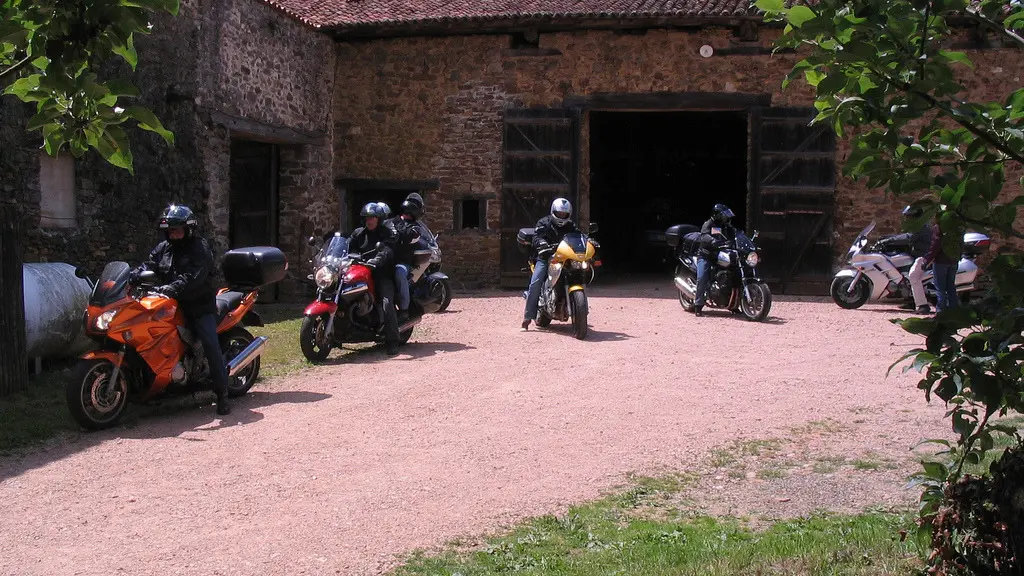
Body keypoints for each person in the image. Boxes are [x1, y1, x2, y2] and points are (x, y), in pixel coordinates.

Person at [130, 204, 231, 415]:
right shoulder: (164, 248)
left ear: (188, 229)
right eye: (169, 230)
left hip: (198, 306)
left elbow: (194, 276)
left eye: (176, 230)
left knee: (210, 343)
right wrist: (132, 276)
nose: (172, 234)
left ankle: (222, 393)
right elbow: (149, 265)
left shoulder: (200, 248)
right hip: (171, 303)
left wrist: (172, 287)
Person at [350, 202, 401, 355]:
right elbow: (348, 247)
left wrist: (376, 261)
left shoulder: (386, 233)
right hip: (360, 274)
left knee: (386, 303)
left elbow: (386, 250)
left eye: (372, 218)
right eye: (367, 218)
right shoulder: (359, 234)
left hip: (382, 275)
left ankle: (392, 341)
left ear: (379, 219)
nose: (369, 221)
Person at [522, 197, 579, 331]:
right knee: (536, 282)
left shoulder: (570, 225)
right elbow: (536, 236)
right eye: (559, 213)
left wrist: (588, 240)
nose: (561, 216)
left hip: (564, 258)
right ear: (553, 212)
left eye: (564, 214)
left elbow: (578, 235)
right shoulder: (544, 223)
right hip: (545, 258)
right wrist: (541, 243)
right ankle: (527, 318)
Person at [879, 205, 934, 314]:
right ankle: (911, 300)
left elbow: (908, 237)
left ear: (913, 216)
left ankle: (923, 305)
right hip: (919, 255)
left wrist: (888, 241)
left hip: (924, 256)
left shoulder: (920, 226)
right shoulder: (920, 224)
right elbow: (907, 236)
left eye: (908, 216)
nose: (906, 219)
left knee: (913, 275)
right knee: (904, 272)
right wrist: (886, 238)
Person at [386, 196, 427, 322]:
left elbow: (408, 236)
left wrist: (395, 233)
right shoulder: (390, 221)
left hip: (402, 262)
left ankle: (404, 309)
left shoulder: (415, 228)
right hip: (385, 261)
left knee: (400, 272)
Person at [693, 204, 736, 317]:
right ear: (716, 215)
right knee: (702, 278)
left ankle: (734, 304)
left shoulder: (727, 227)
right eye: (723, 216)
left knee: (734, 271)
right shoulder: (708, 224)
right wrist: (712, 240)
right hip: (706, 255)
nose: (726, 219)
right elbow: (704, 236)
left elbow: (735, 235)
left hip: (719, 254)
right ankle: (698, 304)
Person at [923, 211, 962, 313]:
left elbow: (935, 245)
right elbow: (961, 243)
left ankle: (941, 311)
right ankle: (954, 311)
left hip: (941, 261)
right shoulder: (956, 227)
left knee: (940, 288)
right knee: (951, 287)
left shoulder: (939, 227)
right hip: (953, 260)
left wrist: (927, 260)